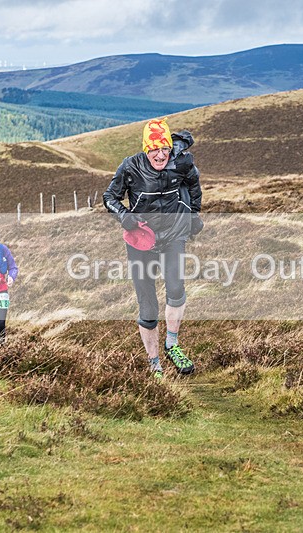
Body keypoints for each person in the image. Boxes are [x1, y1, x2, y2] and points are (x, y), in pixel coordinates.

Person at [103, 117, 203, 378]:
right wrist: (125, 217)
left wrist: (193, 215)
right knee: (148, 306)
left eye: (165, 148)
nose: (160, 155)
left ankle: (172, 344)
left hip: (173, 235)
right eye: (154, 149)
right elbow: (110, 197)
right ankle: (154, 363)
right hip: (141, 240)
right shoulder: (131, 166)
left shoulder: (182, 162)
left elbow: (194, 185)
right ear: (146, 148)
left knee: (176, 287)